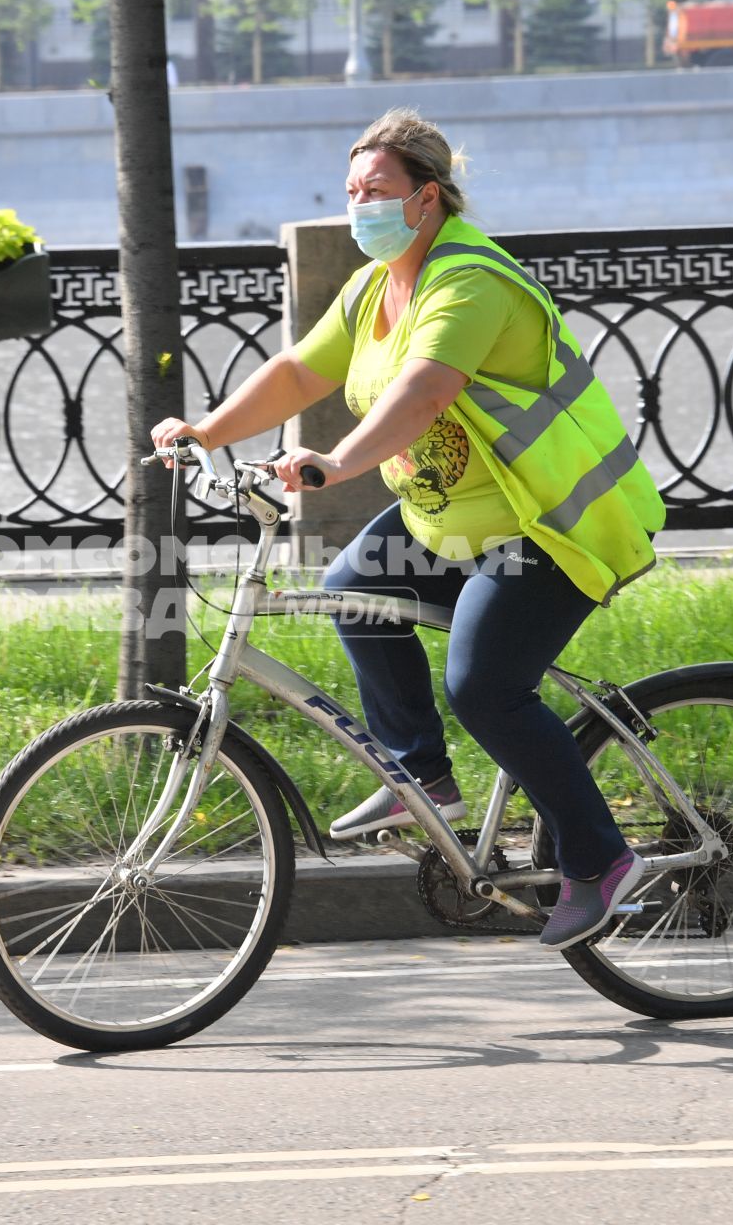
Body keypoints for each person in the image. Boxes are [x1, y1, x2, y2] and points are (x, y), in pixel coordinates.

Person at [148, 108, 665, 950]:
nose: (361, 206)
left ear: (427, 199)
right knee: (354, 590)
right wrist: (208, 430)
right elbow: (296, 370)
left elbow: (423, 392)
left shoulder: (470, 280)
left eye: (377, 191)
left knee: (486, 687)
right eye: (352, 191)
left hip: (551, 523)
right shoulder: (375, 286)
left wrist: (337, 463)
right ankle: (419, 773)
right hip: (451, 517)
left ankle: (602, 860)